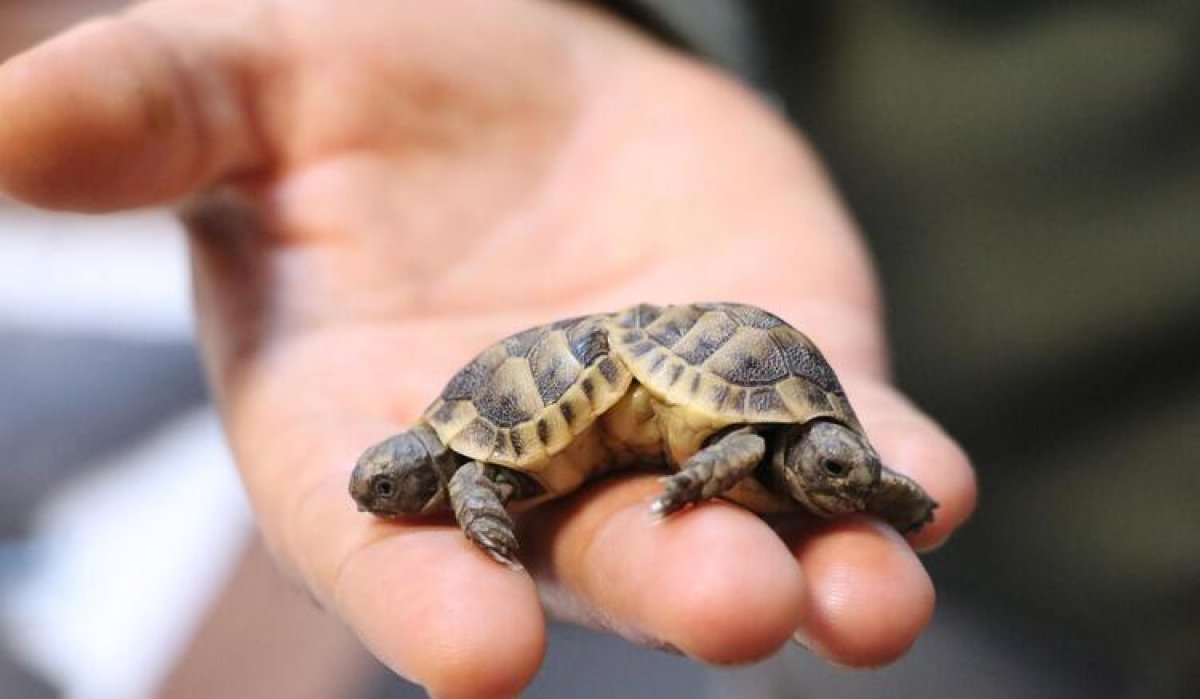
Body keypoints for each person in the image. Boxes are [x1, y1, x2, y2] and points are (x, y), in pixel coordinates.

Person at [0, 1, 976, 695]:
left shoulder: (519, 466)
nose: (384, 499)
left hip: (1033, 490)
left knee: (840, 517)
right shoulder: (468, 461)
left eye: (388, 488)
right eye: (386, 488)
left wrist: (702, 485)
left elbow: (753, 450)